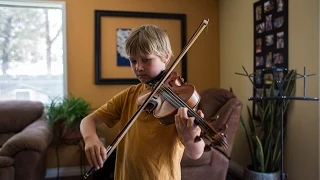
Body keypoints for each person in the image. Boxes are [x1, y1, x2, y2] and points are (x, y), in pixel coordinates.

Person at [80, 24, 205, 180]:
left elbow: (196, 153)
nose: (138, 67)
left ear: (166, 56)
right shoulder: (130, 95)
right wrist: (90, 138)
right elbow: (88, 121)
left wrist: (189, 135)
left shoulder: (178, 103)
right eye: (133, 61)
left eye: (146, 60)